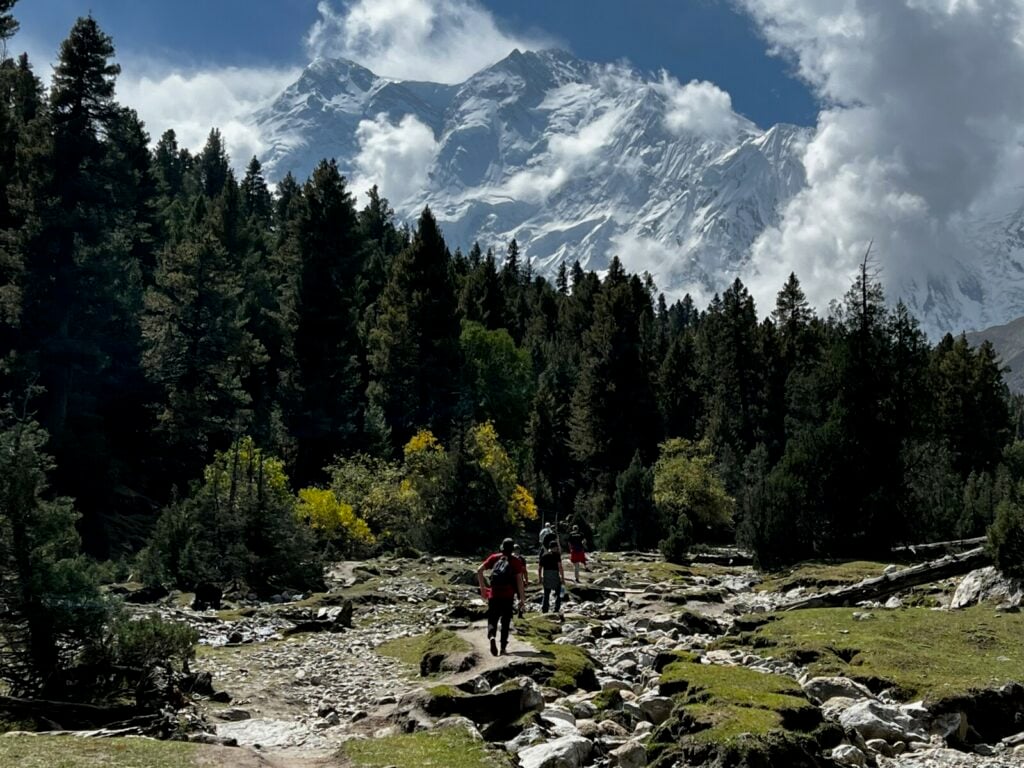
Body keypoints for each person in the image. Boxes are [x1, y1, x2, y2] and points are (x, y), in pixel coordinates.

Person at [476, 537, 527, 656]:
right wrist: (522, 599)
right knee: (505, 622)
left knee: (492, 619)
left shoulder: (494, 558)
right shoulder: (516, 561)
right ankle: (503, 648)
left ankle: (492, 636)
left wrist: (483, 588)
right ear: (512, 548)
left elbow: (479, 570)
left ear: (502, 547)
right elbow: (519, 581)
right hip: (508, 596)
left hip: (494, 594)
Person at [538, 541, 566, 614]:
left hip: (546, 575)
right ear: (555, 547)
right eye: (557, 547)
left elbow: (540, 568)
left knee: (546, 593)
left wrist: (540, 578)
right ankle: (556, 608)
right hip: (554, 575)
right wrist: (562, 578)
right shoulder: (557, 555)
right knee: (560, 591)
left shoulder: (544, 555)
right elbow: (560, 567)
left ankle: (545, 609)